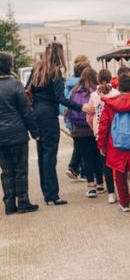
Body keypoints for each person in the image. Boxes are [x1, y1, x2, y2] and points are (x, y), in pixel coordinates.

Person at [28, 42, 94, 206]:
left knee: (42, 153)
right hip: (48, 116)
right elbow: (60, 98)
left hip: (36, 113)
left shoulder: (36, 68)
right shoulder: (55, 71)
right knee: (50, 154)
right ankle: (52, 195)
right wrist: (81, 107)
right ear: (60, 55)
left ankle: (47, 191)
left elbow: (27, 89)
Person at [98, 74, 130, 218]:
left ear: (118, 87)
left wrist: (101, 145)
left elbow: (103, 127)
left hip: (116, 145)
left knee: (119, 174)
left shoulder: (110, 105)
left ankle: (124, 203)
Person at [0, 52, 40, 214]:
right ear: (9, 65)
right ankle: (23, 202)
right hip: (17, 134)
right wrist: (35, 132)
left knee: (6, 171)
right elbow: (26, 111)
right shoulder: (15, 84)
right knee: (20, 169)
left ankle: (9, 204)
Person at [67, 67, 104, 198]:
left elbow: (68, 110)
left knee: (86, 158)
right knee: (97, 157)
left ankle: (91, 186)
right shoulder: (98, 91)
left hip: (79, 131)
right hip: (94, 130)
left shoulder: (74, 91)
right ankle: (100, 183)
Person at [88, 69, 119, 204]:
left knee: (105, 163)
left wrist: (94, 129)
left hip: (100, 132)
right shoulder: (116, 94)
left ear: (98, 80)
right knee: (118, 162)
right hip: (115, 131)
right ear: (111, 78)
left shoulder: (94, 95)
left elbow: (89, 117)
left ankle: (111, 194)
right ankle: (122, 191)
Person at [64, 55, 91, 181]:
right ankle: (77, 169)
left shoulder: (69, 85)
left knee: (79, 144)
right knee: (85, 147)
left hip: (73, 120)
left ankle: (77, 170)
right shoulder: (88, 85)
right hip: (87, 121)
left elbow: (63, 103)